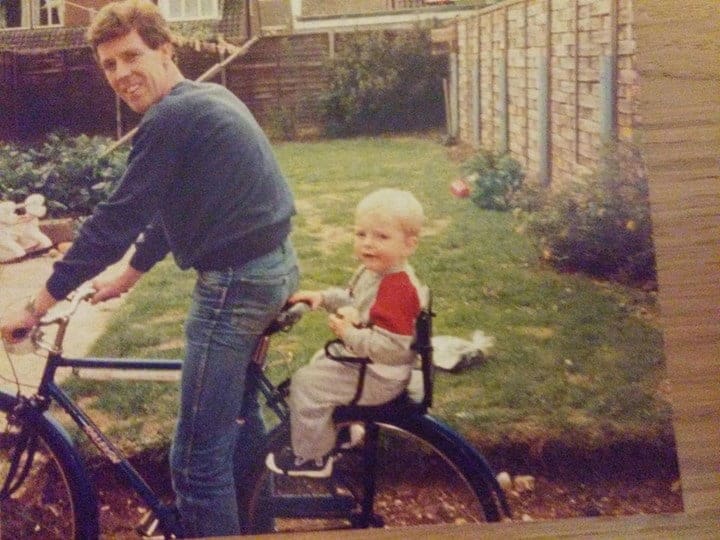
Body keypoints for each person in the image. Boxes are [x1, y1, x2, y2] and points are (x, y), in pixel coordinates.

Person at [0, 0, 298, 536]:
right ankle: (255, 526)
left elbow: (116, 221)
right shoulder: (207, 98)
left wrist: (35, 304)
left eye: (131, 56)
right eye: (109, 65)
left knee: (195, 461)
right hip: (270, 268)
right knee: (238, 429)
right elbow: (174, 209)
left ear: (165, 49)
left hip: (236, 286)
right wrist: (129, 275)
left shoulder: (172, 117)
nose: (120, 74)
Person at [266, 188, 426, 478]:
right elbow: (353, 298)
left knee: (305, 384)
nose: (368, 244)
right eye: (361, 234)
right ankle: (340, 430)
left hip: (381, 376)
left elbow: (393, 348)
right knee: (319, 363)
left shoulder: (397, 288)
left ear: (409, 245)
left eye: (381, 237)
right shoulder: (377, 273)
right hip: (374, 368)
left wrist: (348, 333)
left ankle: (312, 457)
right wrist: (322, 298)